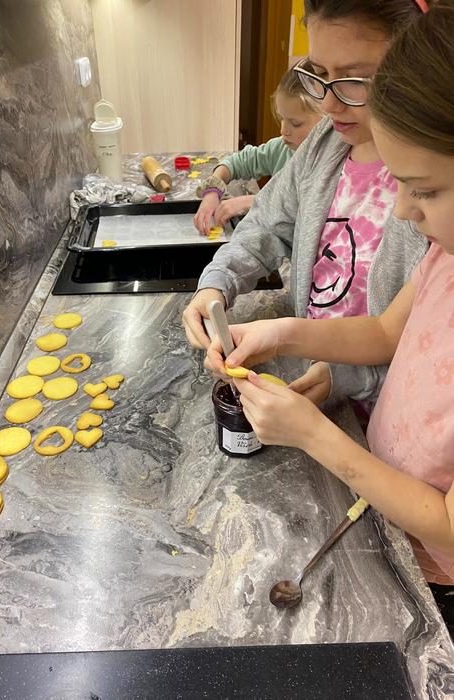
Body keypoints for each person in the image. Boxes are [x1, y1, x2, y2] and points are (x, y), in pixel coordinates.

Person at [207, 0, 454, 633]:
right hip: (381, 495)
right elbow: (385, 332)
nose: (402, 211)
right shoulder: (445, 258)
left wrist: (317, 435)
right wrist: (281, 332)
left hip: (437, 568)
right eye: (319, 75)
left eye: (423, 189)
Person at [184, 0, 429, 410]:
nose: (328, 105)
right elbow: (267, 224)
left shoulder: (434, 188)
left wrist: (341, 376)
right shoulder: (325, 142)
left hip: (389, 413)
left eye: (354, 79)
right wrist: (216, 283)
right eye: (319, 73)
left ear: (415, 67)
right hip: (315, 385)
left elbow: (410, 337)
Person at [193, 69, 323, 235]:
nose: (283, 130)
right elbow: (237, 162)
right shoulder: (281, 149)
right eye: (281, 118)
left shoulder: (333, 166)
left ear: (327, 120)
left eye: (295, 123)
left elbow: (308, 209)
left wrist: (253, 202)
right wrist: (213, 190)